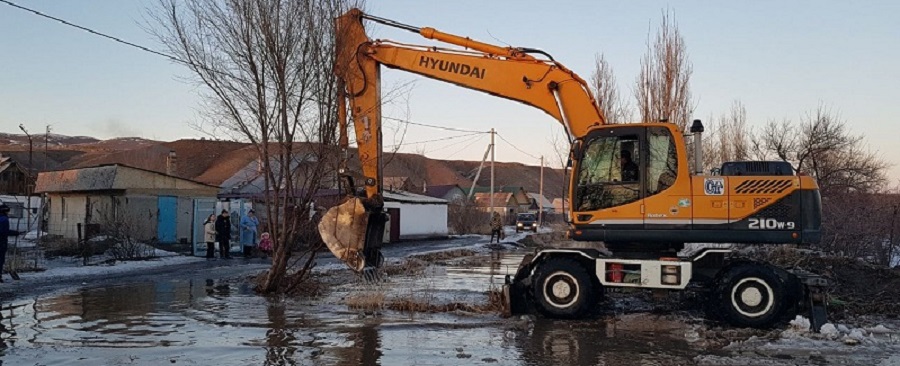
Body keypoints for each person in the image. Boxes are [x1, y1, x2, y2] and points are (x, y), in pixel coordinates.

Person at [0, 204, 18, 283]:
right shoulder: (4, 219)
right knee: (0, 259)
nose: (8, 213)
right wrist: (15, 233)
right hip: (1, 242)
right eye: (7, 211)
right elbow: (4, 232)